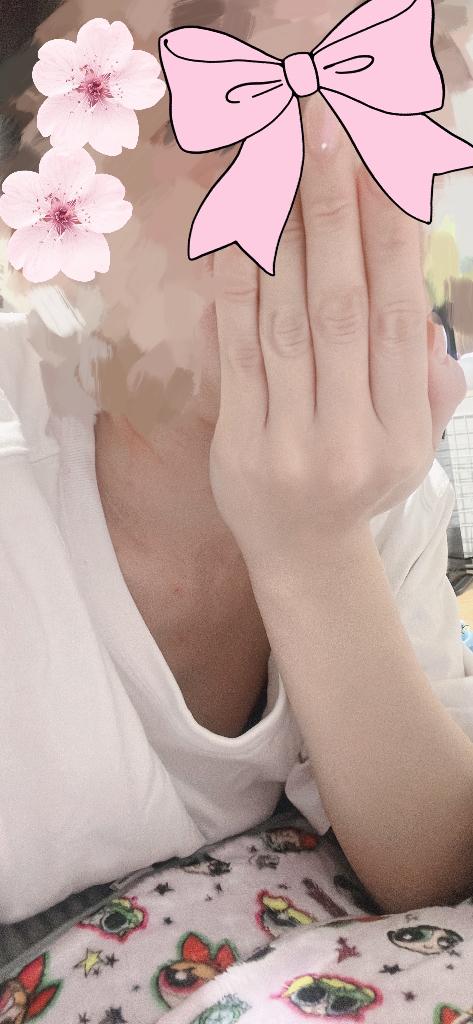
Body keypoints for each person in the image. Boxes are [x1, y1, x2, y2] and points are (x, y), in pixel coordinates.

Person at [0, 0, 473, 927]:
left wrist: (314, 546)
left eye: (367, 93)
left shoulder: (379, 486)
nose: (311, 170)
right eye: (215, 101)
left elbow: (433, 859)